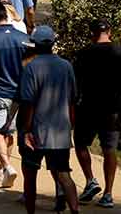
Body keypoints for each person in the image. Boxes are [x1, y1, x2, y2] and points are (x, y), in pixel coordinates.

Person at [17, 25, 81, 214]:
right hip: (60, 130)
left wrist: (26, 130)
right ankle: (75, 210)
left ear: (34, 44)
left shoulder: (31, 68)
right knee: (64, 174)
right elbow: (73, 99)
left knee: (30, 175)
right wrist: (70, 125)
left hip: (36, 131)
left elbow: (28, 102)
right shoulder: (66, 66)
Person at [73, 19, 121, 208]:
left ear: (92, 33)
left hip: (88, 107)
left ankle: (90, 180)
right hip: (112, 109)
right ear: (110, 32)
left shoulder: (84, 54)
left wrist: (72, 108)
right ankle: (108, 193)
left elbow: (75, 85)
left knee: (80, 144)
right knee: (109, 150)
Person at [0, 0, 30, 187]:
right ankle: (3, 169)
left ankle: (7, 166)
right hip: (19, 93)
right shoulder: (23, 38)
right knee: (9, 131)